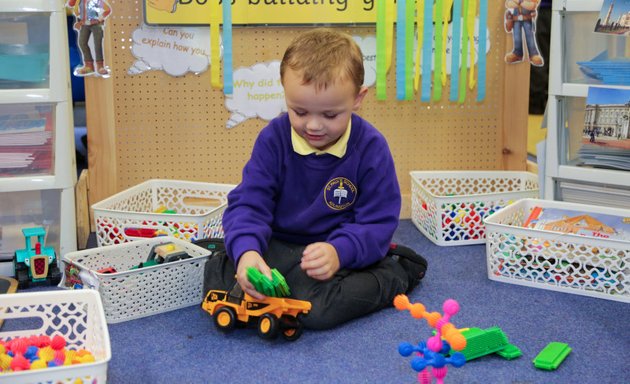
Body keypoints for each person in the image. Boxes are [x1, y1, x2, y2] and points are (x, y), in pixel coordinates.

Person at [205, 28, 427, 330]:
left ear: (358, 98)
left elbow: (377, 224)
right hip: (282, 244)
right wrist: (247, 253)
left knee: (316, 310)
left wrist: (339, 252)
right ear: (284, 92)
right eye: (299, 111)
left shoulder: (371, 147)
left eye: (330, 115)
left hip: (339, 251)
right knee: (219, 278)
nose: (313, 125)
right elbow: (248, 204)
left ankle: (397, 273)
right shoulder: (273, 139)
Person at [67, 0, 112, 76]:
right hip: (84, 24)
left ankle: (100, 66)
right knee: (82, 42)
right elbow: (70, 4)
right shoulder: (79, 1)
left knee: (98, 44)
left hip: (96, 24)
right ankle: (89, 65)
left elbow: (107, 10)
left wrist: (99, 19)